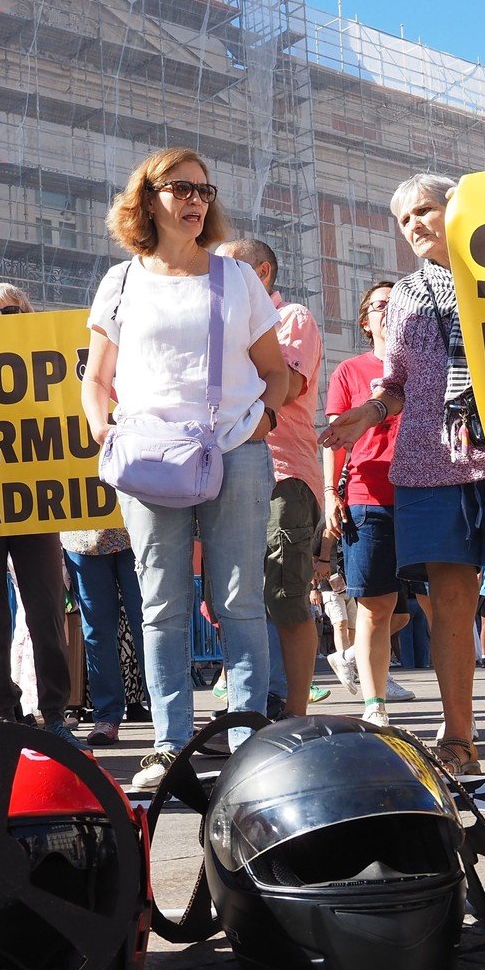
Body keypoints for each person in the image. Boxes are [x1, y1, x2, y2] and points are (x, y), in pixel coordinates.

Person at [322, 173, 485, 774]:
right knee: (452, 600)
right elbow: (396, 383)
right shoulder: (406, 295)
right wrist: (368, 413)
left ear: (456, 209)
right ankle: (460, 740)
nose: (413, 224)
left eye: (424, 210)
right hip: (431, 460)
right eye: (404, 218)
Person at [82, 147, 289, 791]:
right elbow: (96, 377)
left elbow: (276, 370)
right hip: (150, 457)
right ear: (148, 199)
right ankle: (169, 746)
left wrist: (262, 421)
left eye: (204, 190)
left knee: (239, 600)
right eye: (181, 188)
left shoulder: (238, 278)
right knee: (161, 604)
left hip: (235, 450)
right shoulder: (120, 282)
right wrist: (102, 428)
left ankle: (248, 741)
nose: (196, 200)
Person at [217, 239, 324, 720]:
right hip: (229, 472)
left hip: (284, 474)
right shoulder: (221, 323)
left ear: (262, 272)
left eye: (229, 266)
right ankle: (251, 706)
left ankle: (294, 714)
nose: (216, 275)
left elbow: (289, 385)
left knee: (284, 594)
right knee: (237, 596)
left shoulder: (292, 317)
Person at [0, 284, 74, 740]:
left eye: (11, 312)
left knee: (46, 611)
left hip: (36, 505)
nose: (0, 321)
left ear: (28, 316)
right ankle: (1, 710)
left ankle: (55, 713)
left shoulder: (47, 365)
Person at [321, 279, 414, 720]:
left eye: (396, 304)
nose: (388, 311)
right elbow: (335, 438)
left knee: (437, 604)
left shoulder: (424, 364)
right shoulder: (349, 371)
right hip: (368, 494)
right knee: (375, 606)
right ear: (365, 322)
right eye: (379, 306)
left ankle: (459, 716)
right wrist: (329, 493)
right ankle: (375, 707)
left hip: (426, 492)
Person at [62, 527, 145, 745]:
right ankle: (106, 716)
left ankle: (171, 715)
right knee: (96, 632)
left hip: (136, 532)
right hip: (82, 539)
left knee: (150, 625)